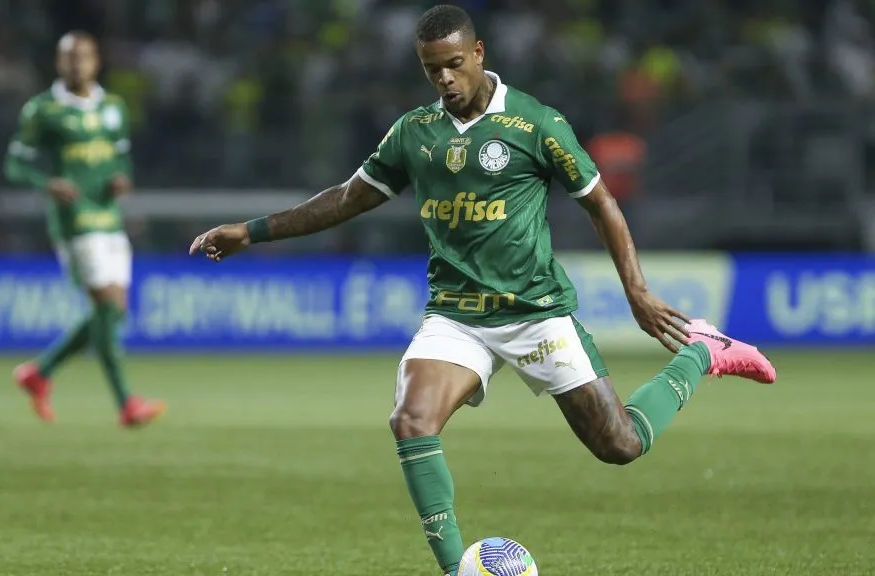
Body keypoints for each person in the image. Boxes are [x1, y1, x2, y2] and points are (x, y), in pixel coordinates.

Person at [188, 6, 777, 575]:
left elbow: (602, 203)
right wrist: (252, 231)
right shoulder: (414, 133)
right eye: (430, 68)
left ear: (478, 53)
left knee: (620, 445)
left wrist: (638, 293)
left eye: (452, 64)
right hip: (457, 315)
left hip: (536, 311)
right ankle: (456, 571)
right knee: (411, 420)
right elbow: (347, 198)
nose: (443, 78)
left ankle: (703, 350)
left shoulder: (535, 123)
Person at [4, 31, 165, 428]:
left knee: (113, 312)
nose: (77, 64)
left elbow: (121, 160)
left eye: (84, 56)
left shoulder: (113, 107)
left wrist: (120, 180)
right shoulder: (42, 109)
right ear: (59, 63)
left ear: (96, 61)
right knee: (108, 307)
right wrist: (48, 184)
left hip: (108, 216)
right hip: (75, 220)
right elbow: (15, 164)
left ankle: (40, 373)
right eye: (69, 57)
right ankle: (127, 404)